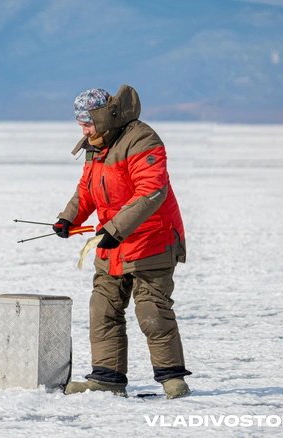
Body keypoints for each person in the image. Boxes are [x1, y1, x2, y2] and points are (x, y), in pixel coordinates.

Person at [53, 85, 191, 399]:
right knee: (102, 308)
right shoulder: (96, 143)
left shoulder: (142, 139)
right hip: (113, 241)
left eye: (87, 123)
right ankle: (107, 379)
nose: (83, 130)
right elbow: (87, 189)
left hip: (152, 239)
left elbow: (151, 192)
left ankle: (172, 379)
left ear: (103, 117)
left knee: (152, 312)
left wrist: (115, 229)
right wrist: (68, 218)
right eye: (80, 125)